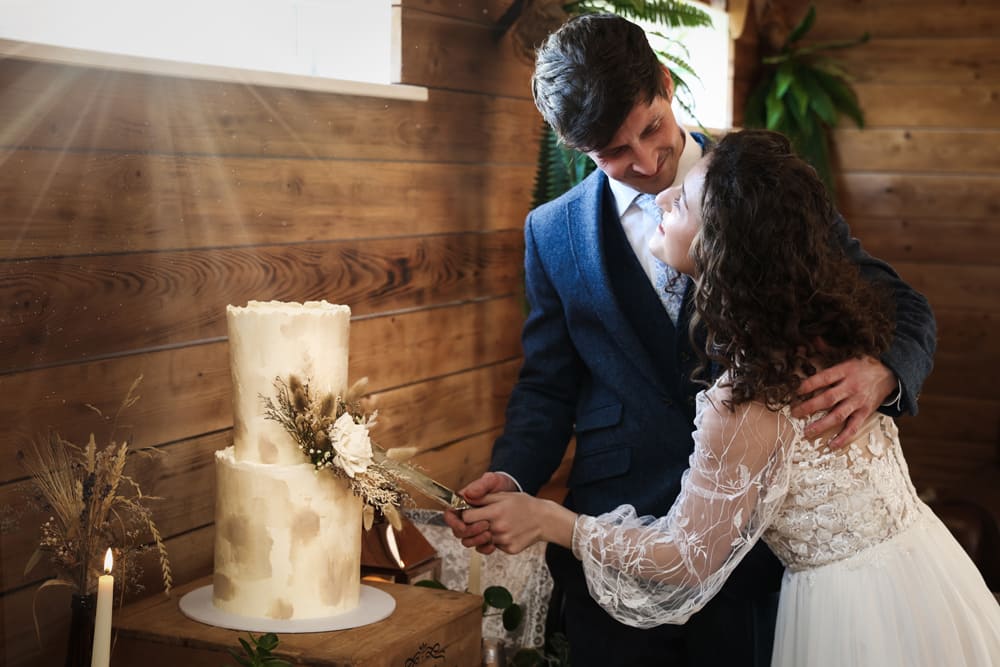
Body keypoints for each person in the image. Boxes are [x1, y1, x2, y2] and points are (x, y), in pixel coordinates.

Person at [445, 13, 937, 667]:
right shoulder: (552, 231)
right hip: (615, 538)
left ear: (666, 83)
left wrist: (884, 371)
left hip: (761, 558)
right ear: (574, 146)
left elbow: (900, 303)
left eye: (651, 128)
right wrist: (512, 478)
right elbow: (547, 383)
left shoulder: (764, 184)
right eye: (614, 153)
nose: (648, 162)